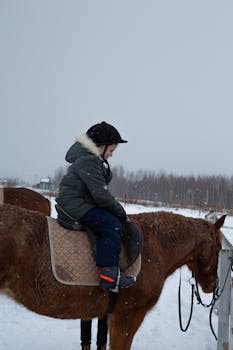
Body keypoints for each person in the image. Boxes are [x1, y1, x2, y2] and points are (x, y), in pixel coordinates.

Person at [56, 121, 136, 349]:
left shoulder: (90, 159)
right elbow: (101, 195)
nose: (111, 155)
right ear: (100, 146)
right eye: (111, 150)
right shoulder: (90, 160)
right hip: (74, 205)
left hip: (78, 201)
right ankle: (108, 273)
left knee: (108, 218)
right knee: (111, 225)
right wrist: (120, 213)